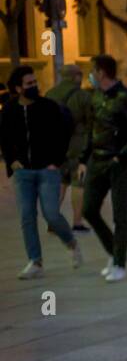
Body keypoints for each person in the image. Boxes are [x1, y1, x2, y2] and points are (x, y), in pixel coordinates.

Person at [1, 66, 83, 279]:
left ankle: (72, 244)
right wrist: (12, 162)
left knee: (51, 214)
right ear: (18, 88)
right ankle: (35, 261)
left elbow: (63, 134)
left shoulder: (48, 107)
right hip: (22, 173)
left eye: (34, 82)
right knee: (27, 217)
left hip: (47, 170)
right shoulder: (9, 110)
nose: (34, 86)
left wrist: (56, 161)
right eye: (29, 84)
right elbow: (5, 139)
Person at [79, 54, 127, 283]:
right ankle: (114, 250)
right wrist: (83, 159)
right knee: (88, 209)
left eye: (92, 71)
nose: (90, 75)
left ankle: (119, 263)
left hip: (120, 164)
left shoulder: (126, 98)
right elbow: (92, 130)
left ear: (101, 72)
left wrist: (122, 154)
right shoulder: (96, 97)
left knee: (120, 215)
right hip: (97, 161)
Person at [45, 64, 95, 232]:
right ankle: (77, 222)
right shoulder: (83, 96)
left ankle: (52, 221)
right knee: (77, 183)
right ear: (76, 77)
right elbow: (91, 122)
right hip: (77, 145)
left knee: (60, 183)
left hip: (55, 147)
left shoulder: (49, 94)